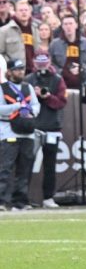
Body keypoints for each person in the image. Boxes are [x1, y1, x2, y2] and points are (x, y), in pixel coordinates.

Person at [25, 51, 68, 208]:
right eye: (39, 63)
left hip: (52, 127)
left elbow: (62, 102)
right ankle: (22, 198)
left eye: (44, 63)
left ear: (49, 62)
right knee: (27, 164)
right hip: (34, 127)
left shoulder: (58, 79)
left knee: (50, 165)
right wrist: (34, 96)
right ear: (34, 63)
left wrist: (47, 96)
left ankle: (48, 197)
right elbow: (23, 102)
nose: (42, 67)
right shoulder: (29, 80)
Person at [0, 59, 40, 211]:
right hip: (8, 132)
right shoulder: (2, 88)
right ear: (9, 72)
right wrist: (17, 106)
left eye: (22, 69)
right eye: (17, 69)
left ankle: (20, 201)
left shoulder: (27, 87)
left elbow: (36, 105)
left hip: (27, 132)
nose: (21, 72)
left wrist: (31, 111)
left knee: (24, 169)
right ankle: (2, 201)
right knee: (6, 168)